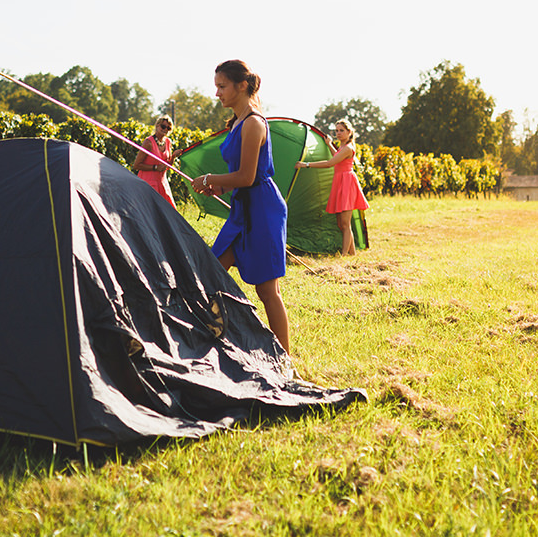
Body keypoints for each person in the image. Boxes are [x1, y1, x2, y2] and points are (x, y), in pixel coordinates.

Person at [191, 60, 290, 353]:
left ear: (241, 86)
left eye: (222, 87)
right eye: (217, 87)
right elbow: (241, 176)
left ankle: (286, 359)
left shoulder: (254, 123)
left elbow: (248, 176)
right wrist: (219, 186)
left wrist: (210, 177)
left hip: (263, 210)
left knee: (267, 290)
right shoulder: (236, 123)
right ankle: (214, 341)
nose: (217, 93)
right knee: (210, 270)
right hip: (242, 209)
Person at [295, 119, 370, 256]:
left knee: (345, 223)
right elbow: (336, 155)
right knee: (341, 223)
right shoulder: (341, 147)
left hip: (347, 182)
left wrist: (306, 164)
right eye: (337, 130)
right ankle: (352, 253)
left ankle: (343, 255)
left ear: (349, 132)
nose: (338, 133)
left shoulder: (348, 148)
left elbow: (330, 163)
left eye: (342, 130)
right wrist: (329, 144)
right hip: (340, 181)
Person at [133, 115, 176, 208]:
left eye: (168, 128)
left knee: (169, 211)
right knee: (150, 212)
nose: (165, 129)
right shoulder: (148, 143)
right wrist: (155, 168)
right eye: (163, 126)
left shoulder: (168, 142)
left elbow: (167, 166)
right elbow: (136, 165)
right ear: (157, 126)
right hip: (148, 183)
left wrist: (173, 157)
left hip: (162, 183)